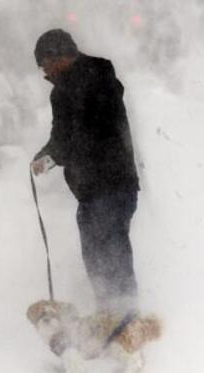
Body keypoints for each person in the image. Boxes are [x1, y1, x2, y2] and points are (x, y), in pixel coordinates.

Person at [31, 29, 140, 315]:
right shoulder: (62, 91)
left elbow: (90, 133)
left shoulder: (97, 79)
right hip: (91, 192)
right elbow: (62, 135)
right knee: (97, 257)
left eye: (45, 64)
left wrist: (58, 154)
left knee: (112, 255)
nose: (45, 72)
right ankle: (111, 317)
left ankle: (127, 320)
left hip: (113, 185)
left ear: (60, 57)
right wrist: (45, 155)